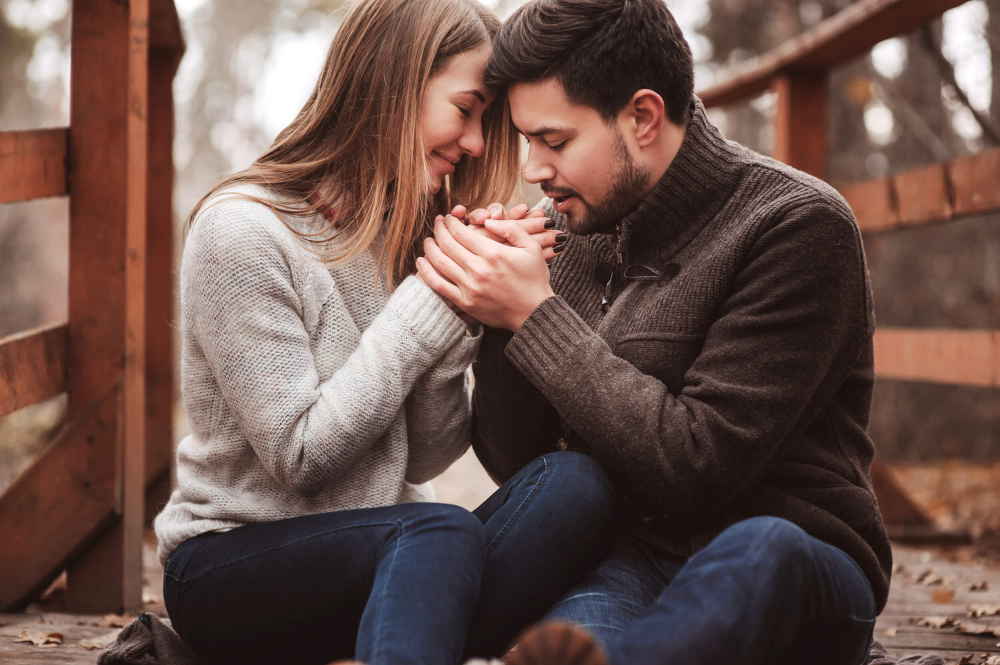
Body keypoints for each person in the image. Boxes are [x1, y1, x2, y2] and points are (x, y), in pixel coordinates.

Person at [415, 0, 891, 663]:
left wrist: (535, 315)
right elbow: (521, 466)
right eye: (526, 140)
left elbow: (701, 466)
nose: (532, 171)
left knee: (760, 549)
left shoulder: (797, 225)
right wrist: (495, 317)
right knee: (580, 642)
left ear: (642, 117)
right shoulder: (566, 228)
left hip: (797, 560)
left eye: (553, 141)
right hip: (634, 559)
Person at [153, 1, 617, 663]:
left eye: (486, 119)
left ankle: (403, 639)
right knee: (438, 532)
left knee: (576, 487)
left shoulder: (400, 229)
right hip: (230, 569)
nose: (479, 144)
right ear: (395, 86)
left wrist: (460, 311)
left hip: (389, 560)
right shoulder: (242, 233)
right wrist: (426, 303)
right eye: (466, 109)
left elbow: (424, 456)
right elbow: (300, 455)